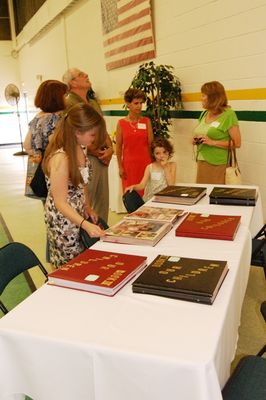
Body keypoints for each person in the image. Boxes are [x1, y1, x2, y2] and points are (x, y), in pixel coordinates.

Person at [42, 103, 106, 268]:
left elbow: (81, 181)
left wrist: (87, 206)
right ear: (78, 132)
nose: (94, 139)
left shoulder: (81, 147)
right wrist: (85, 224)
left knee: (83, 261)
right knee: (70, 265)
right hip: (63, 221)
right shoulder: (61, 159)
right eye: (92, 135)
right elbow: (60, 202)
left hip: (77, 214)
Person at [62, 68, 113, 222]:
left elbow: (102, 128)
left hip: (102, 158)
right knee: (86, 202)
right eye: (81, 75)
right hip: (84, 158)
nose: (86, 75)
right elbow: (69, 134)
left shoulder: (92, 102)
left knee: (102, 201)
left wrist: (110, 149)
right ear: (72, 82)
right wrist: (93, 151)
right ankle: (88, 237)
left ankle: (101, 235)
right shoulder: (68, 102)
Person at [192, 80, 241, 184]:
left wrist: (212, 142)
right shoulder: (204, 114)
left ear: (213, 97)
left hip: (218, 164)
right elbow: (201, 132)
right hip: (202, 161)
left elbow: (237, 143)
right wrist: (196, 139)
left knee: (215, 196)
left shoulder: (229, 115)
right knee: (203, 195)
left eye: (203, 95)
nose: (201, 98)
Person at [116, 88, 154, 196]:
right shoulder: (121, 123)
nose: (139, 106)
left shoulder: (146, 121)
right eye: (136, 103)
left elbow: (151, 144)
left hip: (146, 164)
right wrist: (120, 166)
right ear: (128, 104)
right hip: (129, 166)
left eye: (141, 103)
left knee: (146, 193)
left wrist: (154, 163)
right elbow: (118, 147)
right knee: (131, 195)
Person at [125, 137, 176, 201]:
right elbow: (142, 185)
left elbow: (171, 185)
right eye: (157, 153)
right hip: (151, 199)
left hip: (165, 199)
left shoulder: (172, 165)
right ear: (153, 154)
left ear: (169, 151)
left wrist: (165, 167)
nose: (161, 155)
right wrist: (133, 187)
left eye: (164, 152)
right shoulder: (150, 167)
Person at [23, 80, 67, 154]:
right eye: (65, 95)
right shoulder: (54, 119)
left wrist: (38, 155)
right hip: (54, 162)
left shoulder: (37, 117)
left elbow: (26, 145)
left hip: (37, 162)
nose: (66, 98)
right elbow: (57, 145)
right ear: (57, 98)